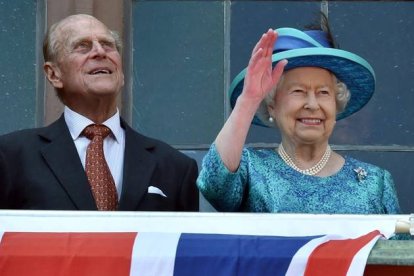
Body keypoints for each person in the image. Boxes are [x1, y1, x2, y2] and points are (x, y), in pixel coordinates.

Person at [197, 22, 401, 214]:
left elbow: (399, 252)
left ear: (336, 106)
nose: (312, 104)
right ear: (272, 106)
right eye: (298, 91)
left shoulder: (375, 184)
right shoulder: (252, 171)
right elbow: (214, 183)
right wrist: (249, 99)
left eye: (323, 92)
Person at [0, 14, 199, 211]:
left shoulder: (175, 167)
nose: (100, 52)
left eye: (108, 45)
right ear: (54, 74)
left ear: (121, 73)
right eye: (82, 46)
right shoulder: (11, 158)